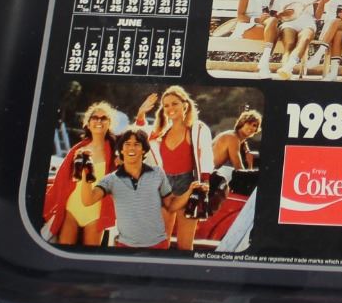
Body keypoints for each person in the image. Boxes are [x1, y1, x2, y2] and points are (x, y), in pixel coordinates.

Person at [73, 128, 199, 251]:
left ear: (144, 149)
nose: (131, 148)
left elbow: (171, 205)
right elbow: (88, 200)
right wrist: (85, 172)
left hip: (157, 246)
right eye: (127, 144)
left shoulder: (157, 173)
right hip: (125, 247)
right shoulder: (111, 179)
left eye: (137, 144)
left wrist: (190, 191)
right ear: (121, 150)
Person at [136, 86, 214, 251]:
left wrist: (205, 181)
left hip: (188, 185)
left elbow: (206, 155)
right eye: (166, 105)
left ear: (185, 104)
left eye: (174, 103)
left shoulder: (197, 129)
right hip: (165, 186)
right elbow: (139, 136)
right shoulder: (161, 132)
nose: (170, 108)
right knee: (159, 243)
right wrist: (141, 113)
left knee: (184, 245)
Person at [42, 101, 119, 245]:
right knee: (64, 251)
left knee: (91, 255)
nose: (99, 121)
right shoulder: (77, 150)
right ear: (88, 124)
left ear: (109, 123)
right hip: (72, 208)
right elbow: (62, 180)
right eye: (95, 118)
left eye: (103, 118)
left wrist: (141, 115)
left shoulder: (115, 150)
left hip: (96, 212)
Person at [196, 109, 262, 246]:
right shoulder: (232, 138)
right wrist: (251, 166)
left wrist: (250, 161)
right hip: (202, 176)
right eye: (249, 123)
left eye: (255, 126)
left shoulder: (239, 140)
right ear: (242, 122)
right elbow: (239, 170)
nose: (252, 128)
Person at [269, 0, 321, 79]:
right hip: (289, 23)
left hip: (307, 22)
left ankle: (288, 68)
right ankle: (285, 72)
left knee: (305, 39)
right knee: (289, 44)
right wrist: (282, 14)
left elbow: (318, 14)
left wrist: (323, 2)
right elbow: (275, 14)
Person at [231, 0, 283, 77]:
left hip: (264, 25)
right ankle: (264, 64)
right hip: (247, 26)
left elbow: (285, 0)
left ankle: (264, 64)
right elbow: (240, 16)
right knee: (277, 33)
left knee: (273, 21)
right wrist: (257, 20)